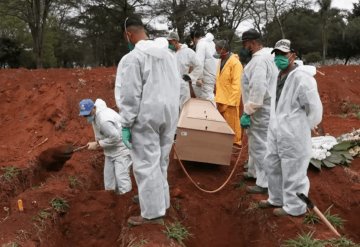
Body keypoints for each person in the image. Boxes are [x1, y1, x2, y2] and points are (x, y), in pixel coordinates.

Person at [115, 17, 181, 226]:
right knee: (161, 160)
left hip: (147, 115)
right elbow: (177, 84)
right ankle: (160, 201)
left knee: (145, 163)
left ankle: (152, 214)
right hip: (169, 114)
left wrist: (126, 123)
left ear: (129, 35)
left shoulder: (133, 58)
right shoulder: (168, 55)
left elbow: (129, 95)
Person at [259, 39, 323, 216]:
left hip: (293, 132)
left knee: (293, 168)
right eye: (277, 54)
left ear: (293, 55)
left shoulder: (302, 78)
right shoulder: (278, 76)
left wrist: (305, 126)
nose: (279, 58)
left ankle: (295, 207)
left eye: (283, 54)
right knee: (272, 163)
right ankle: (276, 199)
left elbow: (314, 108)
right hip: (276, 130)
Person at [240, 29, 278, 193]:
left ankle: (265, 183)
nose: (244, 47)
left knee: (259, 145)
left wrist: (248, 111)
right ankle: (254, 172)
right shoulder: (266, 56)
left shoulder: (259, 61)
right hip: (264, 108)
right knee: (257, 142)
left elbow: (258, 89)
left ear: (252, 43)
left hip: (259, 110)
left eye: (245, 44)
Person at [78, 98, 132, 194]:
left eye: (88, 114)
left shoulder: (104, 121)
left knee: (121, 178)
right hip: (110, 151)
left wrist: (98, 144)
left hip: (121, 149)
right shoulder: (95, 115)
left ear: (94, 108)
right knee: (109, 181)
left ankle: (126, 202)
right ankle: (111, 204)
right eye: (85, 115)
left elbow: (116, 137)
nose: (87, 116)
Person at [214, 40, 243, 149]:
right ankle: (223, 140)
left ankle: (236, 142)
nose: (216, 52)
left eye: (217, 50)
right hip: (220, 97)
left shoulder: (235, 63)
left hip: (230, 99)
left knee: (232, 122)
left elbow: (237, 84)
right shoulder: (220, 60)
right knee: (222, 122)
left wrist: (232, 101)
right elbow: (219, 77)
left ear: (223, 50)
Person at [167, 31, 202, 109]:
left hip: (183, 86)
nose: (168, 44)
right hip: (171, 86)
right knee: (173, 110)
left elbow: (199, 66)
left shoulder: (188, 52)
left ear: (175, 41)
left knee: (184, 109)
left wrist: (190, 76)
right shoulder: (168, 52)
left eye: (170, 42)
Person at [190, 30, 218, 101]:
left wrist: (198, 78)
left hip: (206, 77)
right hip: (214, 75)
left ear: (194, 39)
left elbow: (199, 62)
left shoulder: (201, 44)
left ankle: (212, 111)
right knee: (210, 96)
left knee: (206, 99)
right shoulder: (211, 43)